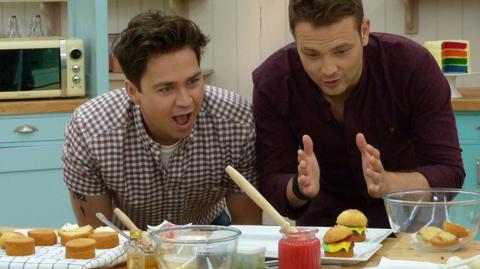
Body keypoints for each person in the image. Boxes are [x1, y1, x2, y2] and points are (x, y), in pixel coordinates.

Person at [252, 0, 465, 228]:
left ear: (364, 32)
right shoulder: (273, 82)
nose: (329, 69)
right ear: (295, 41)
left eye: (341, 51)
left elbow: (449, 172)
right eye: (312, 54)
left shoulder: (412, 67)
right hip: (324, 230)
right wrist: (299, 186)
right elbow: (272, 185)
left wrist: (388, 183)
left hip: (410, 222)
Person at [62, 11, 262, 229]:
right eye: (166, 88)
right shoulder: (89, 130)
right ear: (132, 91)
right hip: (128, 239)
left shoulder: (235, 121)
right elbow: (97, 237)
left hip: (208, 233)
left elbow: (248, 231)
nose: (186, 101)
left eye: (193, 81)